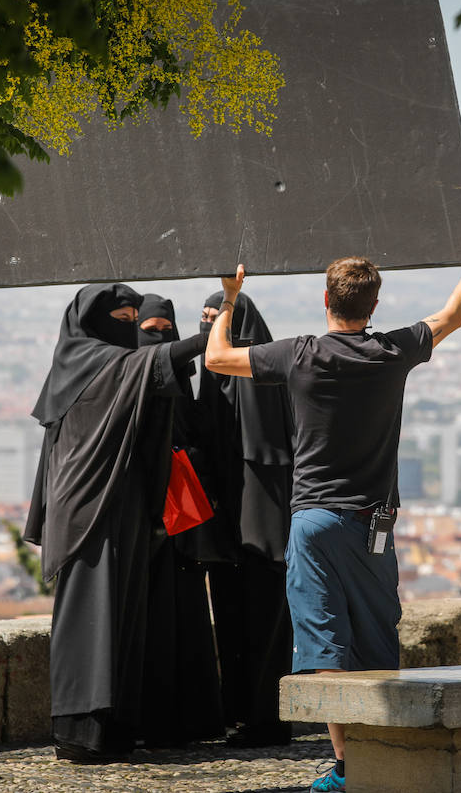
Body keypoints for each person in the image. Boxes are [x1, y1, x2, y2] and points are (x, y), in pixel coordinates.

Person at [204, 231, 461, 793]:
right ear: (375, 306)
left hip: (314, 518)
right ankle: (384, 754)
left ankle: (347, 763)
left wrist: (230, 298)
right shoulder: (392, 351)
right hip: (375, 522)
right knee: (377, 637)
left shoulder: (301, 354)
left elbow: (217, 358)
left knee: (324, 642)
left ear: (325, 299)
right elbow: (452, 317)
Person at [23, 283, 209, 762]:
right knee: (92, 618)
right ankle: (79, 731)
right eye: (122, 320)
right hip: (90, 515)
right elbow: (152, 361)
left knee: (124, 619)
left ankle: (115, 728)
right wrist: (218, 322)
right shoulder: (93, 362)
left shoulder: (99, 366)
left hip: (121, 507)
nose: (127, 330)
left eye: (133, 319)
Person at [195, 290, 297, 747]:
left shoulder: (265, 374)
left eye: (218, 319)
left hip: (266, 521)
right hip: (230, 523)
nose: (209, 328)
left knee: (265, 623)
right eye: (205, 319)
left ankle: (265, 720)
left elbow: (268, 447)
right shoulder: (213, 383)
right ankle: (239, 713)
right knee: (234, 619)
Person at [133, 294, 225, 748]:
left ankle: (191, 719)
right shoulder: (131, 383)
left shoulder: (183, 389)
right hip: (146, 530)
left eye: (165, 330)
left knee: (187, 621)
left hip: (182, 531)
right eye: (149, 331)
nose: (159, 339)